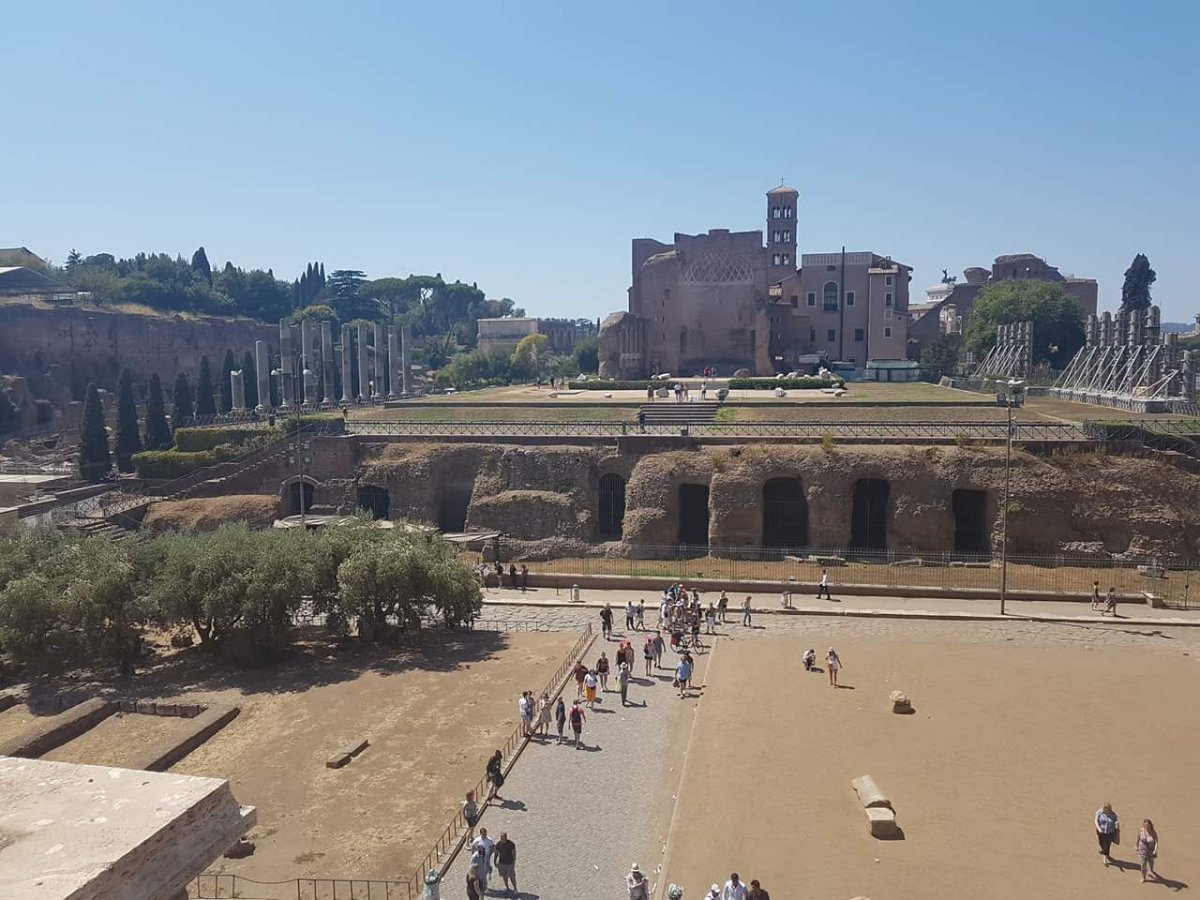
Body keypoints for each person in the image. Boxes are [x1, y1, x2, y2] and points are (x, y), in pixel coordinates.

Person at [471, 828, 496, 894]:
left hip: (486, 858)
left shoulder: (489, 840)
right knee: (479, 874)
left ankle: (484, 886)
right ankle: (482, 887)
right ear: (481, 833)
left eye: (485, 833)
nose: (485, 835)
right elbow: (473, 848)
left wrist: (489, 856)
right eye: (483, 834)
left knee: (485, 873)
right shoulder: (477, 840)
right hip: (479, 860)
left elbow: (492, 848)